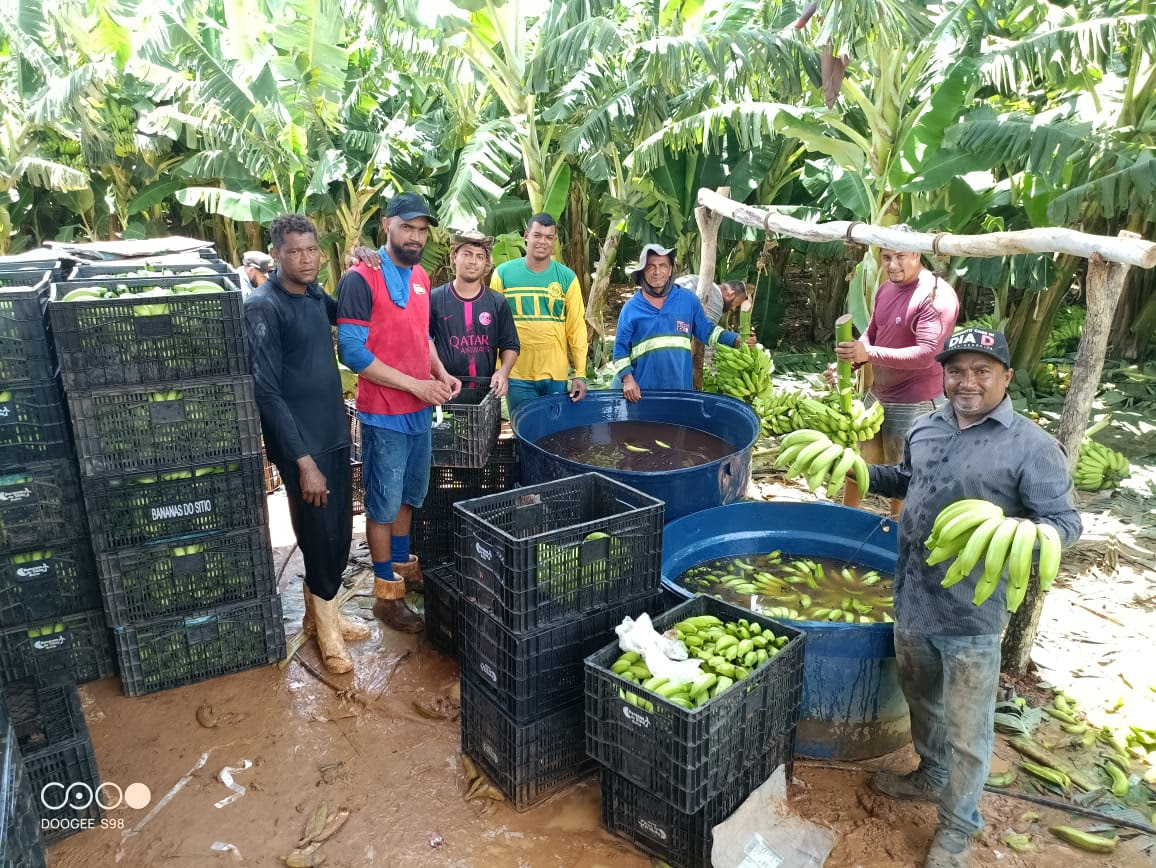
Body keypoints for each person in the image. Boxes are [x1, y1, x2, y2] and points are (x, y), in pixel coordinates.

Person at [865, 328, 1081, 868]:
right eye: (957, 370)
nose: (967, 382)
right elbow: (907, 480)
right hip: (914, 598)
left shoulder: (1032, 445)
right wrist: (861, 472)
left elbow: (1065, 522)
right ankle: (929, 775)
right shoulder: (927, 425)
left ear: (1006, 378)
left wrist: (1022, 537)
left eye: (982, 371)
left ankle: (959, 828)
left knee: (968, 729)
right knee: (921, 699)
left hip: (973, 612)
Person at [244, 215, 368, 675]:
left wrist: (363, 269)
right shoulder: (264, 306)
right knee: (317, 536)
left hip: (334, 433)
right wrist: (302, 462)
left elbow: (350, 315)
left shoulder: (315, 294)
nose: (306, 259)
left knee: (337, 532)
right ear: (276, 254)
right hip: (302, 447)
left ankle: (326, 615)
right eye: (295, 251)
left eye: (312, 249)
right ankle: (328, 635)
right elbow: (267, 391)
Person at [336, 193, 461, 633]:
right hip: (383, 412)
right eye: (407, 227)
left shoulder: (422, 276)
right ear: (387, 225)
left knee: (411, 495)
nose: (415, 236)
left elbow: (421, 336)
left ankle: (404, 571)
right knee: (383, 503)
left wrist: (440, 373)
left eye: (423, 229)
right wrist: (415, 386)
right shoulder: (361, 278)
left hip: (419, 411)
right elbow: (351, 350)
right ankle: (385, 593)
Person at [828, 231, 959, 511]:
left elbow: (927, 354)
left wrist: (870, 353)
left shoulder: (935, 297)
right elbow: (873, 333)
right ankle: (847, 515)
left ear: (917, 254)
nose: (892, 264)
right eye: (886, 257)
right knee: (858, 461)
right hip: (880, 392)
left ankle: (898, 529)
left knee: (905, 472)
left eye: (900, 256)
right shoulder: (886, 288)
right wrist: (851, 361)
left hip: (915, 399)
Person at [612, 245, 742, 402]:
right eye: (651, 266)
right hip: (642, 394)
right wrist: (627, 379)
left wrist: (734, 339)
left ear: (670, 270)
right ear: (642, 272)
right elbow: (620, 350)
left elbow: (706, 330)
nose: (657, 271)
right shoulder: (631, 308)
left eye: (662, 266)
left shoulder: (688, 300)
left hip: (679, 391)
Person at [489, 213, 588, 414]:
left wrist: (580, 373)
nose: (542, 242)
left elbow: (576, 328)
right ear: (526, 235)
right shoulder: (503, 274)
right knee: (524, 432)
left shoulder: (567, 278)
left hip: (555, 374)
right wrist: (499, 369)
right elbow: (493, 326)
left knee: (553, 434)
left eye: (549, 237)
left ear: (555, 241)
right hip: (516, 373)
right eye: (537, 235)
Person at [429, 231, 520, 396]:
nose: (473, 261)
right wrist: (438, 373)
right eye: (467, 254)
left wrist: (503, 372)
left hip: (486, 394)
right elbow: (423, 340)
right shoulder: (434, 299)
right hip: (445, 391)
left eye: (480, 256)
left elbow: (510, 344)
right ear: (454, 256)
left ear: (486, 262)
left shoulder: (497, 301)